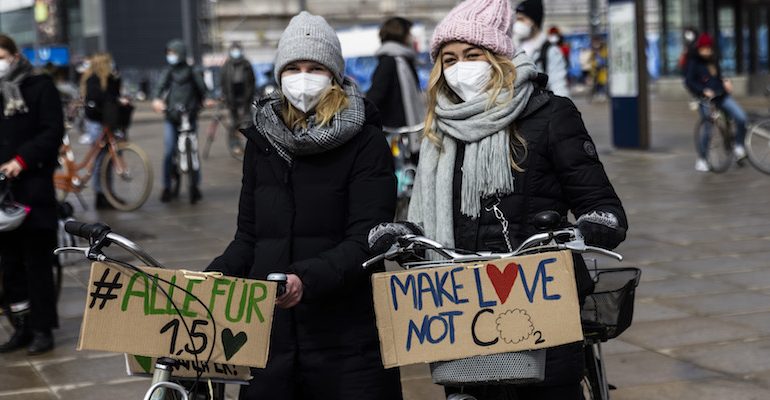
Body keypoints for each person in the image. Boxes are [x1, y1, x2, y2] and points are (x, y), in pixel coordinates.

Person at [395, 0, 627, 398]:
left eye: (472, 54)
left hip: (540, 303)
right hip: (463, 310)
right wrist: (401, 235)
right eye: (448, 59)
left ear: (499, 56)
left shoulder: (553, 114)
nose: (459, 67)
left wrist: (594, 226)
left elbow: (602, 206)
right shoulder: (439, 129)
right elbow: (424, 218)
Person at [206, 11, 402, 400]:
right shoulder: (263, 141)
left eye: (315, 67)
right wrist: (213, 278)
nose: (303, 77)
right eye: (293, 67)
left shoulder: (366, 142)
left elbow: (368, 239)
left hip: (345, 342)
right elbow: (248, 238)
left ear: (334, 75)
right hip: (271, 340)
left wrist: (306, 280)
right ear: (279, 75)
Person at [0, 34, 64, 355]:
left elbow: (52, 131)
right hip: (2, 194)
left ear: (14, 55)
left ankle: (42, 329)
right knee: (9, 265)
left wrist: (21, 160)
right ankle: (21, 326)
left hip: (33, 188)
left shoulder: (40, 87)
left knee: (38, 263)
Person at [152, 39, 213, 204]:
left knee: (192, 151)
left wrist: (207, 99)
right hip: (171, 117)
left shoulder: (193, 71)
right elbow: (159, 88)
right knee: (169, 151)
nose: (170, 56)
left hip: (189, 116)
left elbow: (203, 89)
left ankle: (195, 185)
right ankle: (166, 186)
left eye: (173, 52)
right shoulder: (169, 71)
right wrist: (157, 100)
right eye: (168, 53)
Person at [685, 32, 748, 172]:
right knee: (708, 127)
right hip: (704, 99)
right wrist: (703, 90)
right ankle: (702, 159)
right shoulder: (693, 62)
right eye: (704, 48)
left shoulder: (713, 60)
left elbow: (718, 76)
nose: (707, 51)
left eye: (709, 48)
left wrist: (726, 81)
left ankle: (738, 146)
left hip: (721, 96)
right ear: (699, 48)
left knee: (741, 117)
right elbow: (689, 81)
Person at [80, 52, 123, 209]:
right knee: (100, 160)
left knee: (107, 160)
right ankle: (100, 194)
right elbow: (101, 101)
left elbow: (114, 95)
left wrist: (116, 78)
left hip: (104, 121)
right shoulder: (94, 80)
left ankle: (107, 193)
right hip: (96, 122)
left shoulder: (108, 79)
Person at [366, 16, 425, 128]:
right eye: (409, 33)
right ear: (401, 35)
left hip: (406, 130)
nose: (412, 37)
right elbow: (375, 97)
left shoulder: (405, 60)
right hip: (395, 133)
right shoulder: (389, 62)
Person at [513, 0, 569, 98]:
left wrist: (563, 110)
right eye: (517, 19)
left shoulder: (550, 51)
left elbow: (559, 85)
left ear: (533, 21)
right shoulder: (513, 46)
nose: (518, 23)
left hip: (538, 107)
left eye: (521, 19)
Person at [219, 42, 256, 156]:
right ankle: (234, 145)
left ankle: (251, 146)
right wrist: (224, 97)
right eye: (234, 49)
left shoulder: (247, 64)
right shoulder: (227, 65)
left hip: (246, 98)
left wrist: (251, 96)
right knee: (233, 123)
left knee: (249, 122)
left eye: (237, 49)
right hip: (232, 99)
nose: (236, 52)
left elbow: (252, 81)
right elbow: (223, 82)